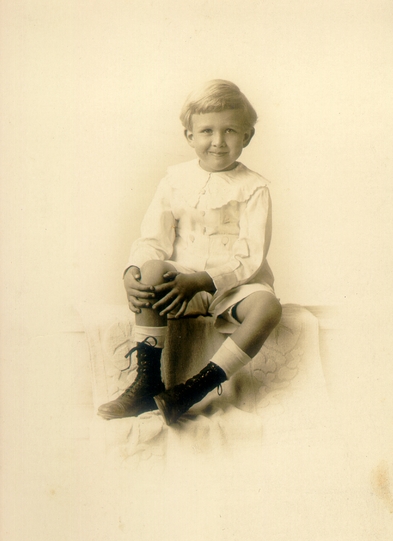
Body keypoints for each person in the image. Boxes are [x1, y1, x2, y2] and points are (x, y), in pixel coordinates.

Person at [98, 79, 282, 425]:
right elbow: (152, 238)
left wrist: (204, 280)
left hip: (234, 289)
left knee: (268, 306)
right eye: (207, 131)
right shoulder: (173, 180)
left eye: (230, 130)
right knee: (151, 269)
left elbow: (251, 256)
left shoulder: (255, 188)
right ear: (189, 136)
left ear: (247, 136)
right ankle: (146, 383)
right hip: (182, 286)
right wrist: (131, 271)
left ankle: (192, 390)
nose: (217, 141)